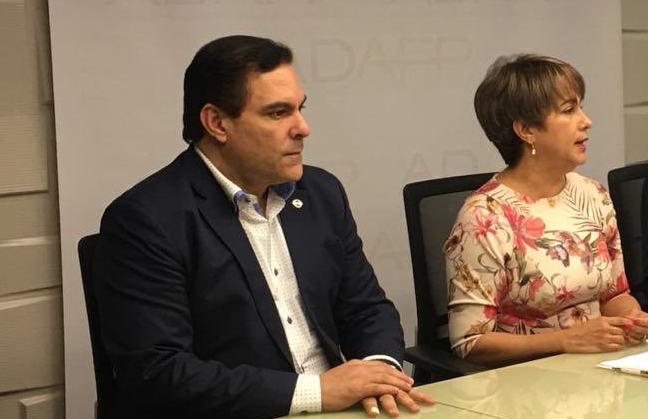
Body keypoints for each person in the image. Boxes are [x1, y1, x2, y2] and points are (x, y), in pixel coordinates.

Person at [95, 35, 434, 419]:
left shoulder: (321, 193)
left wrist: (380, 372)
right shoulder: (147, 219)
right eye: (277, 113)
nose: (303, 127)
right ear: (217, 123)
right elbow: (159, 373)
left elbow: (366, 308)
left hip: (343, 409)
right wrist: (316, 392)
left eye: (300, 109)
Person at [444, 54, 648, 366]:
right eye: (569, 110)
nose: (586, 121)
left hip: (600, 366)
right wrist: (565, 341)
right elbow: (469, 341)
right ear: (526, 130)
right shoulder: (484, 217)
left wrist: (632, 318)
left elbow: (613, 295)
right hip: (525, 378)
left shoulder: (592, 194)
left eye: (580, 107)